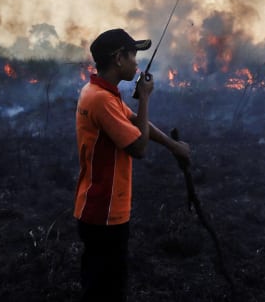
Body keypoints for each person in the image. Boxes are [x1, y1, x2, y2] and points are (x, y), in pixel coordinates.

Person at [74, 28, 190, 302]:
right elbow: (139, 147)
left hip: (97, 207)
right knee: (107, 291)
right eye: (133, 56)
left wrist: (175, 147)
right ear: (118, 58)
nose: (137, 63)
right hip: (104, 211)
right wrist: (146, 96)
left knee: (100, 284)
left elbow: (137, 121)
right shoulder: (102, 100)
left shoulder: (101, 93)